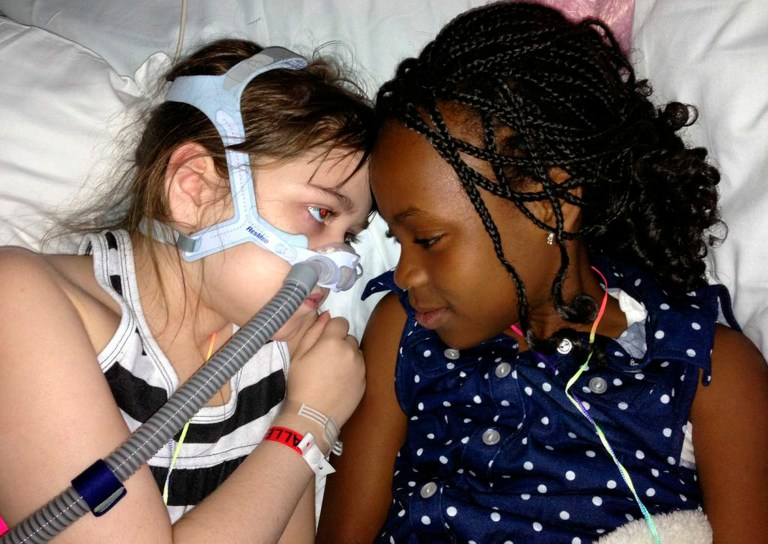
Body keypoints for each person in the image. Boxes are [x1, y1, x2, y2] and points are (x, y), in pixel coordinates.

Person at [316, 2, 768, 542]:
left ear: (554, 203)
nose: (406, 273)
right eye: (396, 239)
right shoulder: (404, 330)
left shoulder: (699, 363)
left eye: (429, 239)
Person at [0, 38, 375, 543]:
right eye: (321, 214)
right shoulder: (21, 301)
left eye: (349, 236)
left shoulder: (280, 358)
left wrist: (303, 410)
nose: (341, 263)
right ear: (194, 189)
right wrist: (309, 423)